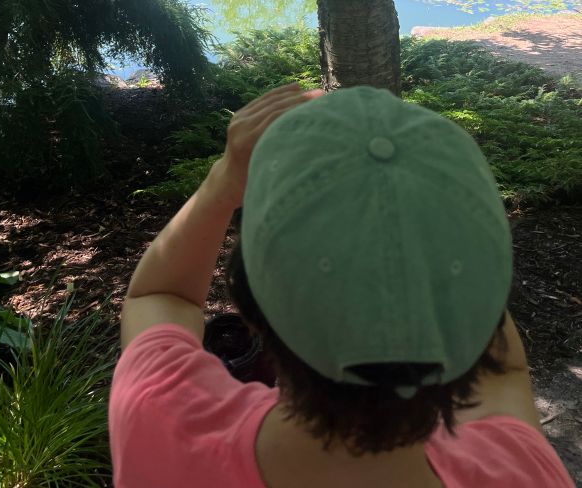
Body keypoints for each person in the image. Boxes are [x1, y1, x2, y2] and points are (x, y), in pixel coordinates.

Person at [109, 84, 574, 487]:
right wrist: (438, 237)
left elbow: (159, 296)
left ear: (250, 308)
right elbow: (504, 371)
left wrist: (225, 179)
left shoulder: (163, 421)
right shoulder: (522, 471)